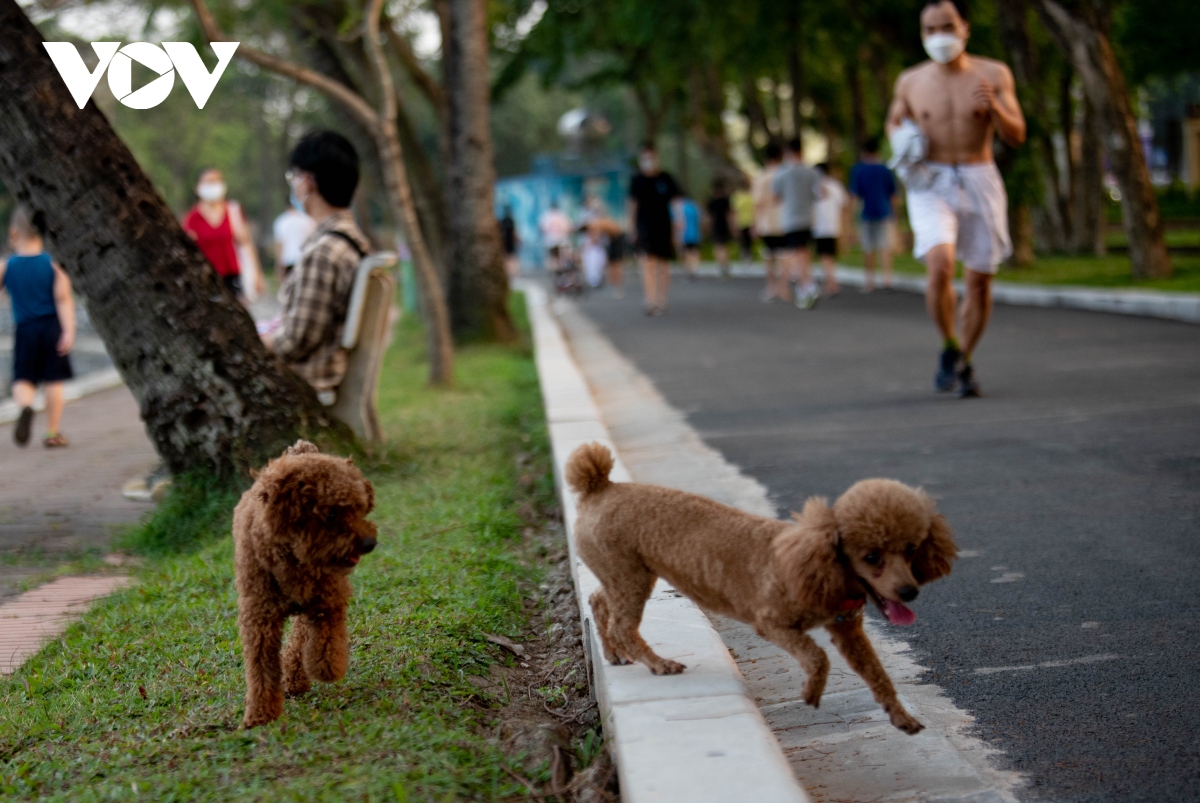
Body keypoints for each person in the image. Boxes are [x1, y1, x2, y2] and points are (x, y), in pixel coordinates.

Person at [886, 0, 1025, 397]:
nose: (938, 36)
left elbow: (1016, 135)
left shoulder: (993, 74)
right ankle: (948, 344)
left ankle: (964, 356)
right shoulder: (910, 81)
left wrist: (995, 107)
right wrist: (903, 137)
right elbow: (894, 120)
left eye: (946, 26)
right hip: (931, 180)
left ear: (965, 28)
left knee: (979, 281)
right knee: (940, 264)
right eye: (929, 30)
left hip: (979, 176)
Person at [262, 130, 372, 399]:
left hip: (307, 379)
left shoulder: (324, 252)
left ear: (308, 182)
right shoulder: (352, 239)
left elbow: (297, 340)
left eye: (294, 178)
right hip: (323, 369)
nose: (294, 186)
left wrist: (250, 341)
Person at [1, 206, 75, 448]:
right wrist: (69, 331)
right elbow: (63, 299)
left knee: (23, 377)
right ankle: (52, 432)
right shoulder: (54, 264)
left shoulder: (7, 266)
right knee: (53, 380)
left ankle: (25, 406)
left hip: (25, 329)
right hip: (52, 328)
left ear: (13, 234)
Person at [181, 168, 265, 302]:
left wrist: (257, 274)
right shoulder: (192, 219)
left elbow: (246, 243)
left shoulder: (234, 212)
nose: (213, 186)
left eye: (216, 181)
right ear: (197, 187)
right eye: (208, 182)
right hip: (207, 280)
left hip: (233, 278)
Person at [628, 142, 682, 315]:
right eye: (644, 158)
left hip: (664, 227)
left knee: (663, 265)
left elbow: (675, 202)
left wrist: (679, 222)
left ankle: (662, 299)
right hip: (645, 227)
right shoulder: (637, 180)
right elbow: (632, 205)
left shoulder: (665, 178)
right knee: (648, 263)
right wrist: (632, 227)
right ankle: (650, 300)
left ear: (656, 157)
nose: (648, 161)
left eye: (650, 157)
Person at [772, 137, 823, 309]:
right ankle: (805, 284)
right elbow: (819, 194)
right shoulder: (812, 172)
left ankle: (802, 285)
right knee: (803, 251)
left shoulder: (782, 173)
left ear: (788, 152)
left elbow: (775, 197)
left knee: (792, 252)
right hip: (807, 218)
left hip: (791, 219)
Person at [849, 137, 898, 292]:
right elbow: (893, 196)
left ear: (864, 152)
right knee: (885, 247)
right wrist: (894, 215)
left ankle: (869, 281)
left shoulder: (859, 170)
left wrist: (851, 219)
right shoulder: (886, 170)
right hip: (884, 212)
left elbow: (855, 196)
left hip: (866, 213)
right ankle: (887, 279)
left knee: (868, 248)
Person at [752, 142, 787, 303]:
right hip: (786, 221)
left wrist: (755, 224)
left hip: (767, 223)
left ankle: (771, 287)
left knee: (769, 257)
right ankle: (784, 288)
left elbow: (757, 203)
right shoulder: (787, 175)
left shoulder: (762, 177)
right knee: (784, 255)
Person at [812, 163, 847, 297]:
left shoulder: (813, 187)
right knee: (830, 256)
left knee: (825, 256)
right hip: (833, 226)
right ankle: (831, 283)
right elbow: (844, 205)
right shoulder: (836, 185)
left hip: (820, 227)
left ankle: (832, 284)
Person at [273, 201, 316, 281]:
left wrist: (278, 265)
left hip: (288, 262)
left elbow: (279, 245)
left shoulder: (281, 221)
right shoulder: (308, 220)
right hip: (305, 260)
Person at [706, 179, 735, 279]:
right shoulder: (725, 200)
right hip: (723, 226)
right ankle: (725, 266)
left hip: (717, 226)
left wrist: (708, 227)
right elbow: (729, 215)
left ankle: (722, 266)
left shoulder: (712, 201)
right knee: (724, 247)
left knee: (719, 247)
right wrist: (732, 227)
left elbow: (710, 217)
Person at [538, 201, 571, 271]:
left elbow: (543, 228)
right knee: (560, 256)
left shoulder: (547, 215)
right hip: (561, 239)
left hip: (551, 240)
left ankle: (555, 270)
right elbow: (567, 227)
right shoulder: (562, 215)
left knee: (553, 256)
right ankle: (559, 269)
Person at [731, 180, 756, 266]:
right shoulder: (741, 196)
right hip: (742, 221)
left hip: (746, 221)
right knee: (743, 241)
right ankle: (745, 257)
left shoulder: (745, 196)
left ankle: (747, 257)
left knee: (747, 241)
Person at [677, 195, 702, 279]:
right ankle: (695, 267)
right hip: (695, 232)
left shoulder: (681, 208)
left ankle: (689, 268)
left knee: (687, 252)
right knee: (695, 251)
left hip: (685, 233)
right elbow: (700, 219)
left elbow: (680, 222)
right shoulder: (695, 207)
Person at [498, 206, 520, 278]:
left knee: (507, 256)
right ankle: (513, 271)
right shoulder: (511, 220)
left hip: (505, 240)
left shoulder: (503, 221)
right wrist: (517, 240)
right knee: (511, 256)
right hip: (510, 240)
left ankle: (508, 271)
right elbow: (514, 232)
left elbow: (500, 232)